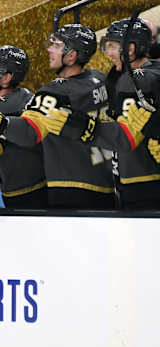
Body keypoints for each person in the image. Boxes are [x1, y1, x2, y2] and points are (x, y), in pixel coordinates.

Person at [0, 24, 115, 209]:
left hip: (69, 190)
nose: (49, 49)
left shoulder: (52, 93)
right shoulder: (98, 79)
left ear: (71, 55)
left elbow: (29, 132)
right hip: (104, 185)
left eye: (56, 45)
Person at [50, 17, 160, 209]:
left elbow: (126, 138)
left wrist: (87, 129)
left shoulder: (131, 80)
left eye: (112, 46)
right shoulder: (155, 70)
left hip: (141, 182)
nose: (108, 54)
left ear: (130, 49)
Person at [0, 45, 46, 208]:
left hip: (24, 195)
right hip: (40, 188)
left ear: (6, 77)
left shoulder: (1, 108)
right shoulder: (25, 95)